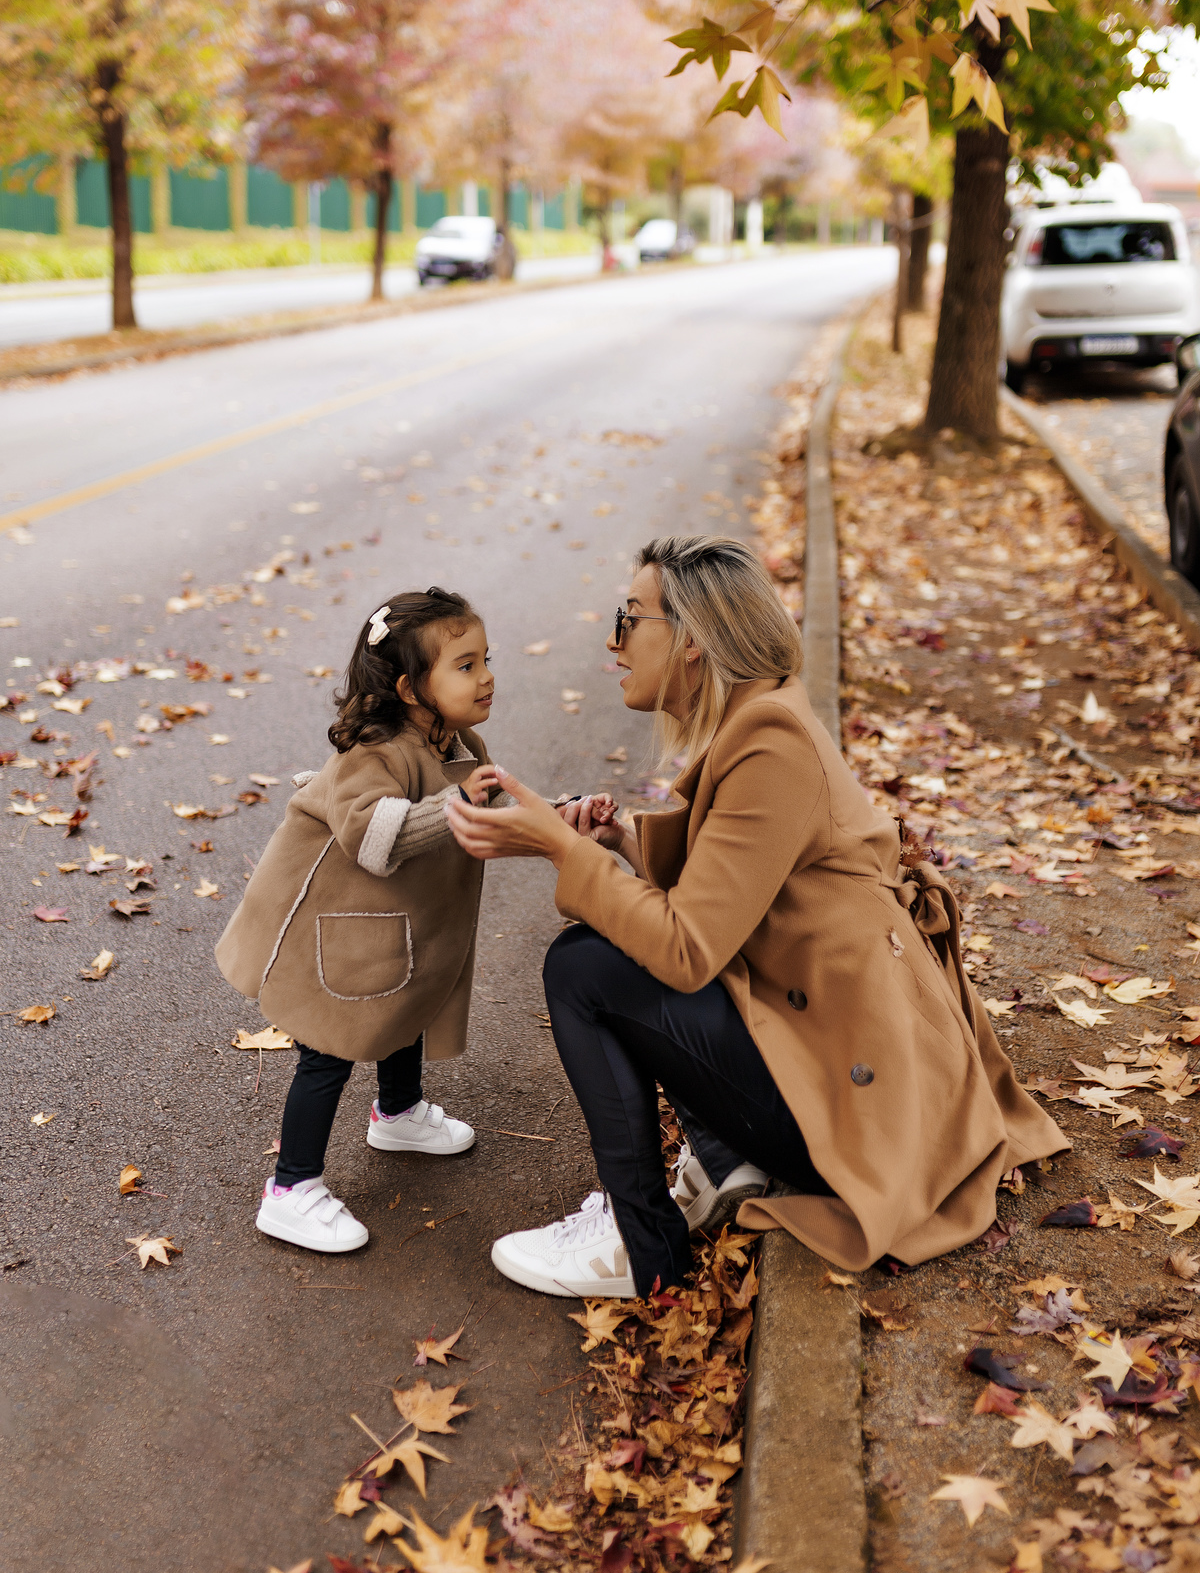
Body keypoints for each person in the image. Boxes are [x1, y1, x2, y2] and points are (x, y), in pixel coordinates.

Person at [445, 534, 1069, 1300]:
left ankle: (640, 1246)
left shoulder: (770, 742)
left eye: (629, 617)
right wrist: (615, 838)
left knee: (584, 968)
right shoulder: (764, 717)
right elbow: (735, 880)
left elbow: (686, 948)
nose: (612, 640)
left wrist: (561, 851)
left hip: (859, 1114)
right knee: (600, 958)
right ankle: (719, 1153)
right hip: (839, 1059)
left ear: (695, 644)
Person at [215, 587, 502, 1254]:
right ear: (408, 687)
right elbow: (375, 837)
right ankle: (290, 1189)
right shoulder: (374, 752)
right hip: (338, 933)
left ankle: (398, 1113)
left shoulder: (461, 743)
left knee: (404, 1011)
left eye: (487, 659)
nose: (485, 676)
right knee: (328, 1048)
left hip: (398, 930)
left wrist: (550, 818)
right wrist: (459, 803)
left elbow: (474, 812)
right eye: (464, 665)